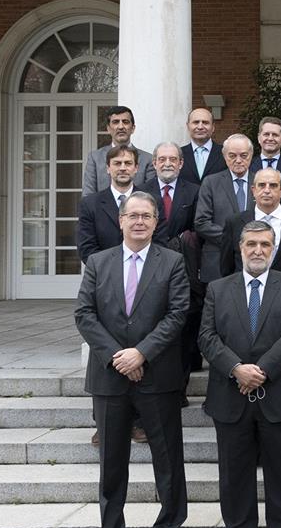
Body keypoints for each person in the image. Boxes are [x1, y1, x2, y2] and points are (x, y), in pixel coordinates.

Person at [73, 192, 190, 528]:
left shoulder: (172, 262)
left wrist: (141, 353)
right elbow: (85, 314)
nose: (139, 222)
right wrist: (118, 357)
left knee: (168, 461)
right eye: (133, 215)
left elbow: (178, 313)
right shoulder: (98, 261)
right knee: (111, 462)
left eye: (147, 216)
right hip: (110, 378)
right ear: (120, 221)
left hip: (158, 376)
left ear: (157, 222)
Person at [199, 220, 281, 528]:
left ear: (273, 248)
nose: (258, 250)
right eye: (251, 244)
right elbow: (206, 336)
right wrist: (237, 369)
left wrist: (261, 370)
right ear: (240, 248)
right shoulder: (218, 289)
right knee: (234, 473)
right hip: (229, 394)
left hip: (279, 392)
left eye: (265, 244)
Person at [143, 142, 203, 392]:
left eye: (173, 159)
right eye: (162, 159)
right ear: (154, 163)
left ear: (181, 163)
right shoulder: (141, 191)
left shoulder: (194, 191)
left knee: (185, 328)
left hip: (185, 269)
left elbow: (198, 227)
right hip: (151, 268)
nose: (167, 163)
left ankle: (180, 388)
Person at [219, 169, 281, 277]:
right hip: (246, 290)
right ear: (253, 190)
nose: (267, 190)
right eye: (262, 185)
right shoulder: (234, 222)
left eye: (273, 185)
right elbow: (226, 266)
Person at [194, 133, 255, 282]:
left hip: (255, 260)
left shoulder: (261, 182)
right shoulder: (211, 183)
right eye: (232, 155)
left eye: (244, 155)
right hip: (217, 260)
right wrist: (234, 240)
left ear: (251, 155)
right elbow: (201, 222)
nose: (238, 160)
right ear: (224, 156)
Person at [78, 145, 145, 263]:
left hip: (144, 275)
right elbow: (86, 248)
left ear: (136, 168)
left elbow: (158, 243)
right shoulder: (90, 204)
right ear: (108, 168)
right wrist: (112, 270)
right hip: (105, 276)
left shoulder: (151, 202)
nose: (123, 168)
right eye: (117, 163)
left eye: (128, 163)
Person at [82, 105, 155, 195]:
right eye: (116, 122)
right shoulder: (95, 158)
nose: (121, 126)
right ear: (108, 128)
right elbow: (88, 196)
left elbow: (151, 197)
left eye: (125, 122)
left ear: (133, 128)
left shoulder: (147, 159)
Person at [180, 106, 226, 184]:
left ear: (213, 127)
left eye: (205, 122)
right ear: (188, 126)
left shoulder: (225, 153)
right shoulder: (178, 154)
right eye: (196, 122)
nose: (200, 127)